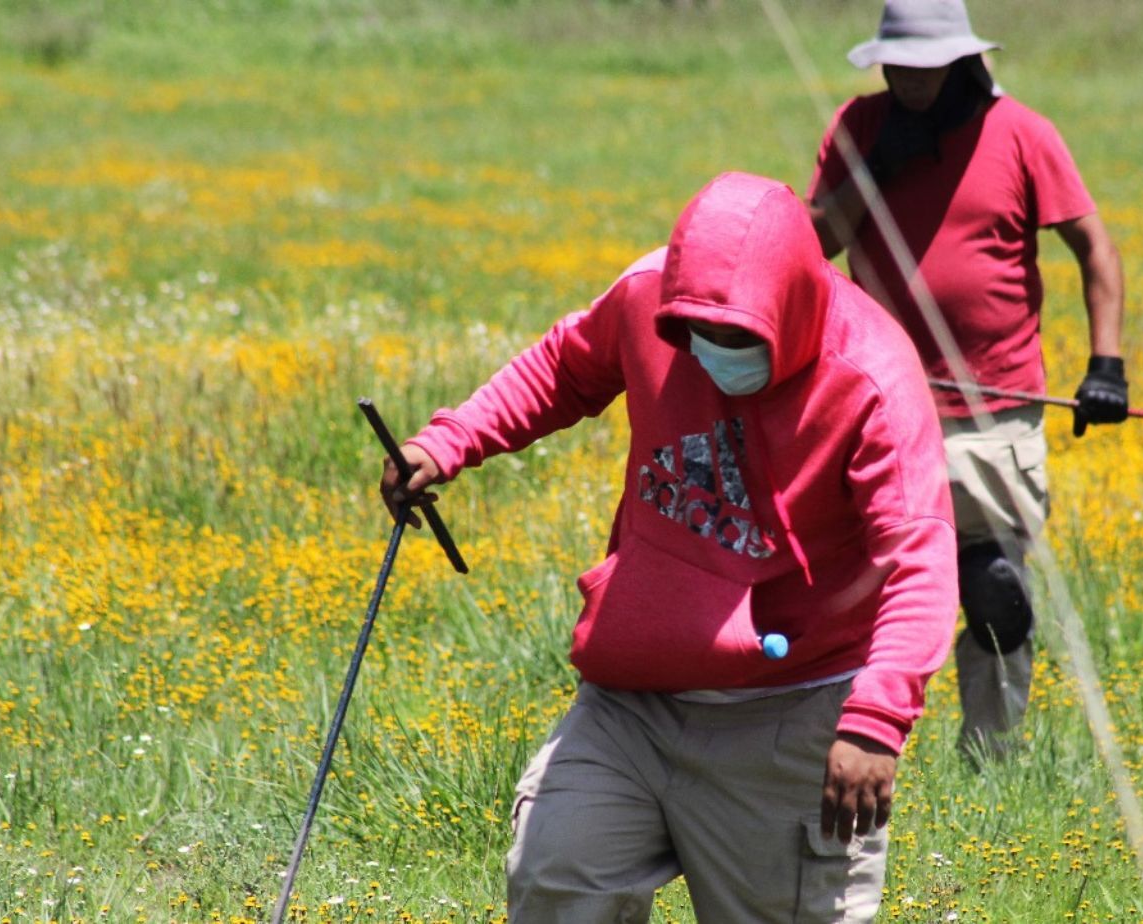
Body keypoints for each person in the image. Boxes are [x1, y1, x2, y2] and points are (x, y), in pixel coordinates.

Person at [381, 172, 957, 922]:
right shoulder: (649, 296)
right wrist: (451, 440)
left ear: (796, 307)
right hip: (633, 700)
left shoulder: (873, 376)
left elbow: (919, 558)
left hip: (787, 717)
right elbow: (563, 368)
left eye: (739, 339)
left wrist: (876, 720)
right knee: (557, 876)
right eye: (697, 333)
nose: (714, 352)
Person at [806, 0, 1129, 759]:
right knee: (855, 590)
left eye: (926, 65)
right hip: (876, 400)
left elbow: (1096, 250)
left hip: (996, 411)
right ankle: (835, 744)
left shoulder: (1021, 132)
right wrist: (880, 165)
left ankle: (991, 755)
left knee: (995, 594)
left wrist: (1106, 365)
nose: (910, 80)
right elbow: (816, 241)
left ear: (959, 58)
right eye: (898, 65)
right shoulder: (859, 126)